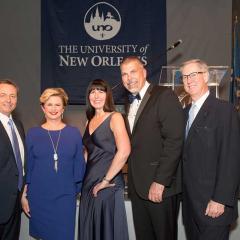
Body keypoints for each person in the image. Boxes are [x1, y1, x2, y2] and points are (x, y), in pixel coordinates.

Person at [120, 56, 185, 240]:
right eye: (124, 74)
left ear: (144, 72)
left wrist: (160, 182)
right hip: (138, 187)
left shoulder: (164, 95)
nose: (128, 77)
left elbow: (175, 141)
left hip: (160, 187)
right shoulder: (128, 103)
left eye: (133, 71)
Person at [180, 59, 240, 240]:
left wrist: (220, 199)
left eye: (193, 75)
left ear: (205, 76)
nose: (188, 80)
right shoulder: (184, 113)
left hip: (213, 205)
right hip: (191, 207)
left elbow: (231, 158)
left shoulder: (224, 110)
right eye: (184, 77)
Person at [21, 88, 85, 240]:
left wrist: (74, 190)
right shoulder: (33, 134)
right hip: (39, 197)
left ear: (63, 108)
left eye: (58, 105)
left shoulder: (74, 133)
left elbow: (79, 165)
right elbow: (28, 167)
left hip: (65, 197)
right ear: (43, 107)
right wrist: (24, 196)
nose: (54, 109)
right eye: (49, 104)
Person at [78, 79, 131, 240]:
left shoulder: (115, 117)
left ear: (108, 95)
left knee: (107, 230)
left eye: (101, 91)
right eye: (92, 92)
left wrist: (106, 181)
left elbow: (124, 151)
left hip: (108, 183)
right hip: (89, 184)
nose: (96, 95)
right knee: (90, 230)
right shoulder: (89, 121)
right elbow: (88, 154)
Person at [0, 79, 25, 240]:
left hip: (15, 202)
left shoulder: (18, 125)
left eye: (13, 96)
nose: (8, 100)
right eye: (3, 95)